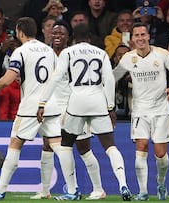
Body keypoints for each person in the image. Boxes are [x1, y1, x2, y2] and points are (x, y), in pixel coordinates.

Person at [0, 17, 79, 200]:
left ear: (19, 31)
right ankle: (73, 190)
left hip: (31, 107)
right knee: (60, 147)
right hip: (51, 104)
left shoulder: (20, 51)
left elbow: (9, 78)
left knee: (15, 145)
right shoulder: (49, 51)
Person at [38, 23, 132, 201]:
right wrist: (110, 107)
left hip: (77, 102)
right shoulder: (101, 53)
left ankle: (72, 191)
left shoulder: (68, 53)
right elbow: (110, 80)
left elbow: (56, 78)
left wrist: (42, 103)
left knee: (65, 145)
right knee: (110, 146)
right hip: (98, 102)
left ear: (73, 37)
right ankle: (123, 184)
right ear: (89, 37)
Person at [31, 20, 106, 201]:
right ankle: (46, 190)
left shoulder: (73, 55)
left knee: (83, 149)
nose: (57, 36)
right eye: (54, 33)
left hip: (73, 108)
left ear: (68, 37)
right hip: (52, 107)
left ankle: (98, 189)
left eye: (61, 33)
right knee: (47, 145)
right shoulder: (45, 55)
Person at [113, 22, 169, 201]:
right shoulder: (128, 58)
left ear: (148, 36)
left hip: (160, 110)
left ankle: (161, 182)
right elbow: (112, 77)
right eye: (136, 35)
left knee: (160, 155)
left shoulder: (162, 54)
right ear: (132, 39)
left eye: (142, 35)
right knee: (141, 147)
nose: (140, 38)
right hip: (139, 111)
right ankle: (143, 192)